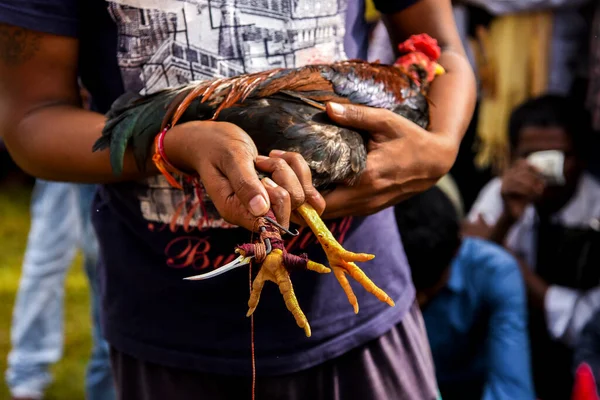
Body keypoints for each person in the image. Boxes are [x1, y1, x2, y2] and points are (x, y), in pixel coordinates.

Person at [0, 0, 476, 398]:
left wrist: (442, 147)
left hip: (358, 311)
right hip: (171, 321)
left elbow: (446, 47)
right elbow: (31, 118)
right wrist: (175, 144)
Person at [466, 94, 600, 399]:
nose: (541, 171)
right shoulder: (500, 193)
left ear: (579, 158)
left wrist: (510, 265)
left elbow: (581, 324)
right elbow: (464, 280)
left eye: (555, 158)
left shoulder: (596, 207)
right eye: (530, 157)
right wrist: (506, 221)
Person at [395, 186, 534, 400]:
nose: (417, 302)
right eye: (409, 287)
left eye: (426, 289)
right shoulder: (362, 269)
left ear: (456, 250)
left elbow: (511, 392)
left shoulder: (495, 272)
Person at [5, 181, 115, 400]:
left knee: (97, 262)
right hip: (89, 162)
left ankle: (27, 374)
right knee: (98, 263)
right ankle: (28, 375)